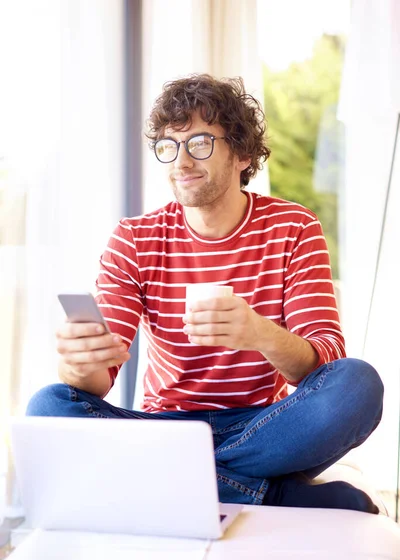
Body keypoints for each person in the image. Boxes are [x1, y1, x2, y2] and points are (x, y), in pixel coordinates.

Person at [27, 74, 383, 513]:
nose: (181, 161)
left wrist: (260, 334)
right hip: (166, 428)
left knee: (358, 385)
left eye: (199, 143)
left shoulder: (294, 227)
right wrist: (78, 361)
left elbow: (325, 363)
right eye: (169, 146)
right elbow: (97, 384)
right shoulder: (136, 238)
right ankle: (272, 492)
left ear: (243, 153)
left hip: (264, 427)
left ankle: (173, 479)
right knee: (49, 404)